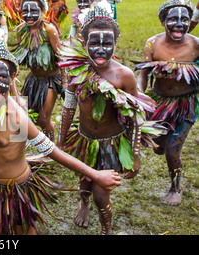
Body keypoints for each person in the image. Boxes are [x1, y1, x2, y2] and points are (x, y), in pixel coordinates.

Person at [0, 33, 122, 235]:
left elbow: (53, 152)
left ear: (12, 77)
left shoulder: (17, 117)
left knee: (23, 230)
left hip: (18, 189)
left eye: (1, 77)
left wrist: (95, 174)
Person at [57, 0, 162, 235]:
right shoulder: (75, 71)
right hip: (84, 140)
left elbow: (135, 117)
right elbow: (68, 107)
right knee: (84, 184)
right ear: (84, 43)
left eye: (108, 43)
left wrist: (134, 155)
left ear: (116, 42)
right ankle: (82, 202)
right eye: (94, 42)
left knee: (100, 195)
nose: (101, 48)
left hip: (110, 144)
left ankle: (106, 230)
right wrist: (61, 141)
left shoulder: (124, 76)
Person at [135, 0, 199, 206]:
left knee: (172, 150)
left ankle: (175, 187)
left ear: (190, 22)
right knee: (158, 147)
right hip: (159, 103)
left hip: (185, 105)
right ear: (163, 21)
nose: (179, 23)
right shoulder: (153, 43)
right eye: (173, 19)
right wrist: (138, 94)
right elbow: (143, 74)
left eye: (184, 19)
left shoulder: (196, 44)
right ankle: (162, 145)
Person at [10, 0, 67, 141]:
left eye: (34, 11)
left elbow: (61, 57)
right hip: (33, 79)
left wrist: (65, 82)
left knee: (43, 119)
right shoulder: (21, 30)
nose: (29, 15)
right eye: (25, 11)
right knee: (30, 115)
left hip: (51, 79)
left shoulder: (49, 29)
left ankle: (51, 150)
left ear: (42, 11)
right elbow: (18, 54)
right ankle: (48, 127)